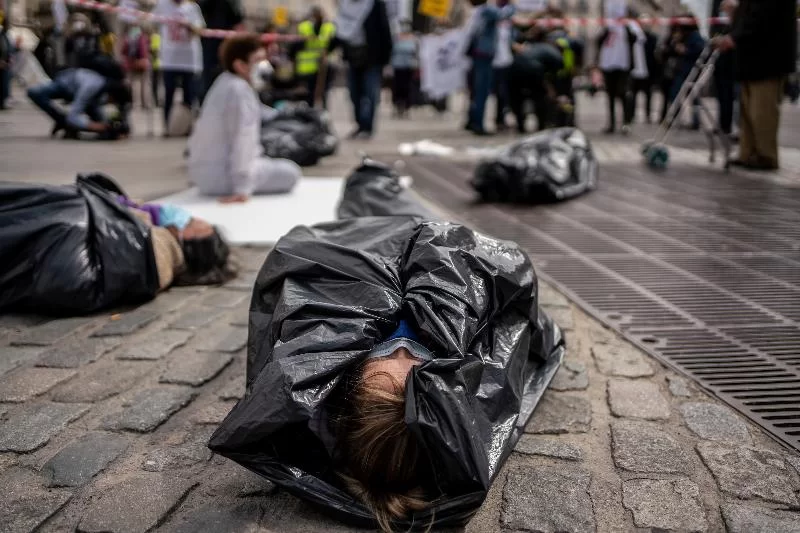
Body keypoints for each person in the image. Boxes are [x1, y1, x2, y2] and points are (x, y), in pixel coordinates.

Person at [208, 159, 564, 532]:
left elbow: (305, 270)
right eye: (413, 373)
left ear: (350, 386)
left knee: (365, 201)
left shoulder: (328, 356)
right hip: (435, 236)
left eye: (383, 367)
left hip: (361, 240)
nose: (402, 352)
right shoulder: (458, 369)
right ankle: (379, 176)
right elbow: (509, 297)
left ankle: (369, 174)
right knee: (413, 209)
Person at [188, 35, 301, 202]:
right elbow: (243, 137)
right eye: (258, 60)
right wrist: (242, 187)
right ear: (240, 65)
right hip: (226, 178)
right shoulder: (240, 91)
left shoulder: (224, 82)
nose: (264, 65)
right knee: (291, 172)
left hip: (204, 174)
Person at [716, 0, 797, 171]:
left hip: (767, 59)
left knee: (762, 110)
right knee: (748, 110)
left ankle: (765, 156)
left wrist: (734, 36)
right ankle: (748, 153)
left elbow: (762, 16)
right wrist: (736, 12)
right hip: (752, 59)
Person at [332, 0, 393, 140]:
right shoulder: (345, 7)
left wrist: (386, 59)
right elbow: (339, 32)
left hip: (372, 58)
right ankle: (359, 124)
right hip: (353, 58)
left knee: (370, 94)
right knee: (354, 94)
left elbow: (384, 30)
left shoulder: (375, 5)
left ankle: (367, 127)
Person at [27, 64, 132, 139]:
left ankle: (67, 125)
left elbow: (100, 115)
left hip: (82, 92)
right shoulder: (91, 86)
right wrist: (95, 126)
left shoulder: (103, 88)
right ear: (112, 96)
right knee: (34, 92)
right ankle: (61, 121)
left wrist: (113, 128)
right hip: (64, 84)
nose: (108, 104)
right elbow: (73, 117)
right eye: (112, 102)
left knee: (101, 123)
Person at [152, 0, 206, 134]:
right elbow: (151, 24)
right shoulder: (162, 5)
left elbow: (200, 30)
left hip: (189, 59)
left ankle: (186, 125)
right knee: (168, 93)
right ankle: (168, 126)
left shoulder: (192, 8)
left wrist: (188, 25)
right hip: (169, 58)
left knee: (189, 94)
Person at [464, 0, 515, 136]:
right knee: (482, 90)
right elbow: (503, 14)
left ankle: (473, 120)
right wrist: (512, 6)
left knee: (477, 90)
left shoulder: (478, 11)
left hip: (479, 53)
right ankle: (478, 124)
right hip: (484, 54)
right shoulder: (487, 10)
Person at [197, 0, 245, 103]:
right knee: (209, 76)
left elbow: (238, 20)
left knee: (219, 75)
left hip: (222, 44)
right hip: (212, 44)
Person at [292, 6, 336, 109]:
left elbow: (334, 43)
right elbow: (296, 46)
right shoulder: (304, 27)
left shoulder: (329, 27)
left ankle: (323, 110)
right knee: (310, 92)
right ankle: (310, 110)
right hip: (308, 66)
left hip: (324, 64)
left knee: (324, 90)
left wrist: (328, 51)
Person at [596, 17, 635, 134]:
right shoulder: (608, 27)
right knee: (611, 96)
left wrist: (625, 27)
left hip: (623, 66)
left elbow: (635, 39)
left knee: (623, 93)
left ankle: (625, 122)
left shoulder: (628, 27)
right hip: (609, 66)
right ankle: (612, 123)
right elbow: (599, 41)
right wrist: (608, 29)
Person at [492, 0, 514, 131]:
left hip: (505, 60)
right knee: (501, 92)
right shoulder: (495, 14)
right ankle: (500, 119)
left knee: (503, 93)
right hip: (497, 61)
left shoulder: (507, 19)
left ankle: (501, 118)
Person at [390, 20, 417, 118]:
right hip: (397, 66)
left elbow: (415, 52)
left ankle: (406, 107)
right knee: (397, 87)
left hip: (408, 67)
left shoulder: (413, 38)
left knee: (407, 88)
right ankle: (397, 106)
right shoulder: (396, 38)